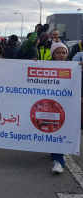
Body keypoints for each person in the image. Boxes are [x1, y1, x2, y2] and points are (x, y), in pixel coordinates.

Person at [50, 42, 69, 173]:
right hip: (52, 106)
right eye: (58, 52)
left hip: (68, 105)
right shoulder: (46, 67)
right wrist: (33, 64)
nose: (61, 55)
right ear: (53, 55)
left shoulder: (74, 67)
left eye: (64, 52)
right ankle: (58, 161)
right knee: (55, 129)